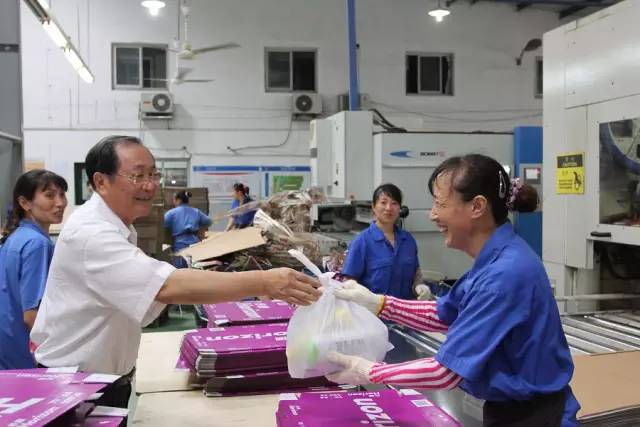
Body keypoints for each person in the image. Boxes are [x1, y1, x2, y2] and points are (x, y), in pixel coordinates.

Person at [31, 135, 320, 409]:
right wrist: (264, 282)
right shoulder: (91, 233)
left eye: (153, 175)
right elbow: (167, 286)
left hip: (100, 379)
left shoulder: (116, 226)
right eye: (138, 175)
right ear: (100, 181)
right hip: (75, 385)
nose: (149, 185)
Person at [325, 154, 579, 427]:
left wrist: (369, 371)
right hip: (511, 410)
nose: (433, 214)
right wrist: (378, 303)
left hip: (536, 418)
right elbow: (445, 313)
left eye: (440, 204)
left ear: (477, 207)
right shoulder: (495, 259)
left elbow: (445, 372)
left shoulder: (504, 275)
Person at [0, 169, 68, 369]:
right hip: (23, 354)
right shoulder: (37, 244)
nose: (60, 203)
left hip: (7, 348)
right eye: (49, 195)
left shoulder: (16, 238)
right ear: (25, 203)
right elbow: (32, 316)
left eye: (62, 194)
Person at [341, 183, 427, 300]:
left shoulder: (408, 240)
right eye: (383, 202)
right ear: (373, 206)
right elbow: (349, 281)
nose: (388, 208)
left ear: (399, 208)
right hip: (373, 310)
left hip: (404, 309)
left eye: (394, 203)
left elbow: (415, 272)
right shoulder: (362, 242)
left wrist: (419, 285)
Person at [164, 190, 212, 267]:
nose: (173, 201)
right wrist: (201, 230)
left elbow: (162, 225)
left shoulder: (171, 213)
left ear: (178, 200)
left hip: (180, 243)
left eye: (174, 199)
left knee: (181, 269)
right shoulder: (196, 211)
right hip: (195, 242)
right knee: (195, 267)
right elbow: (209, 221)